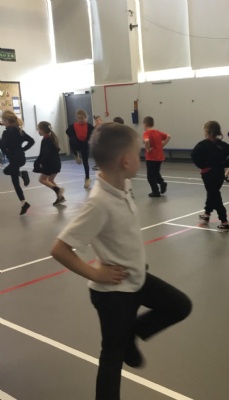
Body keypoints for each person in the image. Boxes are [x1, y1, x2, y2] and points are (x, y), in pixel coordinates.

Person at [51, 122, 192, 400]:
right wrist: (95, 274)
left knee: (179, 305)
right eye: (138, 153)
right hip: (113, 293)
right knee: (112, 358)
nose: (141, 158)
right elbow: (59, 249)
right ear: (125, 161)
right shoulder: (98, 203)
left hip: (135, 278)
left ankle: (131, 333)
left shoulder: (123, 185)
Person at [191, 121, 229, 232]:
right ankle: (206, 215)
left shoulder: (202, 145)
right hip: (220, 174)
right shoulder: (223, 145)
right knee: (212, 193)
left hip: (209, 174)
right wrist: (225, 164)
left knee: (214, 195)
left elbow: (194, 156)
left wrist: (204, 165)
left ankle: (224, 222)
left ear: (208, 131)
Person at [0, 110, 34, 215]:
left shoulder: (6, 132)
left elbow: (2, 147)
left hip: (14, 160)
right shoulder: (19, 130)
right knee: (13, 180)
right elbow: (31, 141)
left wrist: (8, 153)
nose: (2, 122)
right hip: (20, 158)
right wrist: (22, 149)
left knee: (8, 173)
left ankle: (23, 174)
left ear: (6, 121)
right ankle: (24, 203)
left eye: (3, 120)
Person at [33, 121, 65, 205]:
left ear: (42, 130)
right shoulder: (51, 138)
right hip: (56, 163)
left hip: (50, 164)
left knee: (42, 179)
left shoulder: (46, 140)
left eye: (38, 129)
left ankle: (58, 190)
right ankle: (60, 197)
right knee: (50, 180)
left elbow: (45, 154)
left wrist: (41, 163)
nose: (38, 131)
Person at [142, 116, 171, 197]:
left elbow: (146, 140)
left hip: (151, 157)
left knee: (150, 176)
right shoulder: (157, 132)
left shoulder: (146, 133)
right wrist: (163, 145)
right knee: (156, 172)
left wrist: (148, 149)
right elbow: (168, 136)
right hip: (159, 157)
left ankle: (155, 191)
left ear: (145, 124)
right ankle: (162, 182)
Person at [65, 109, 94, 188]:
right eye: (79, 118)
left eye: (82, 118)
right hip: (77, 143)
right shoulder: (74, 126)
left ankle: (87, 178)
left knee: (85, 162)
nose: (81, 120)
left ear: (85, 117)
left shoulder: (89, 126)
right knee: (71, 140)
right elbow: (67, 131)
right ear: (77, 118)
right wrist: (73, 136)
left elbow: (94, 133)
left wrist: (90, 140)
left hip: (85, 145)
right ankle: (76, 155)